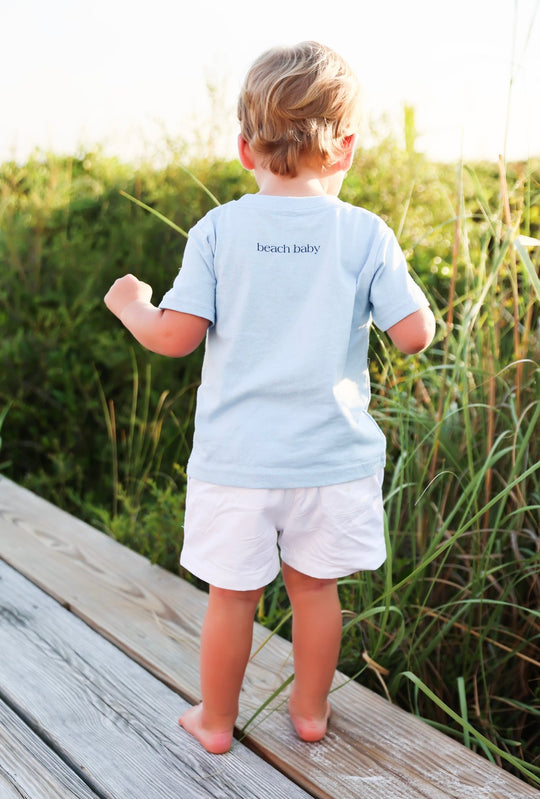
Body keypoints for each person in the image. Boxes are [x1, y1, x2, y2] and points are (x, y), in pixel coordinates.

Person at [104, 41, 436, 756]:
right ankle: (310, 713)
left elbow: (177, 338)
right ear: (346, 147)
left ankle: (216, 722)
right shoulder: (366, 234)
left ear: (244, 148)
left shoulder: (219, 229)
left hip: (238, 463)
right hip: (330, 461)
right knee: (315, 591)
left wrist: (133, 305)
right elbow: (413, 335)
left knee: (233, 596)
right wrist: (412, 302)